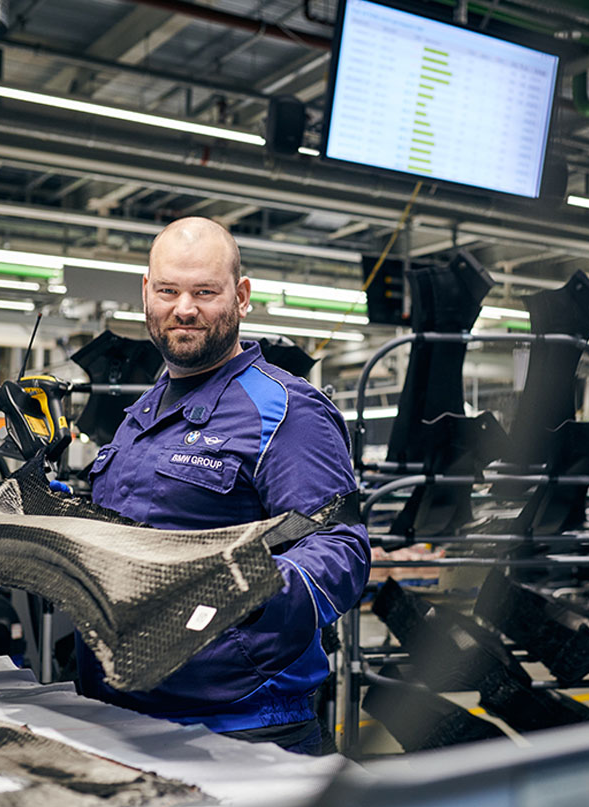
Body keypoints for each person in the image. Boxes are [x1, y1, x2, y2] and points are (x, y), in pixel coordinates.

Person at [75, 217, 370, 755]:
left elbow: (342, 551)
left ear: (241, 296)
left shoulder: (284, 410)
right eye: (168, 290)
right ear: (147, 292)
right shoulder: (139, 414)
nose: (183, 308)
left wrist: (245, 586)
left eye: (205, 292)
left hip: (243, 727)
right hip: (122, 717)